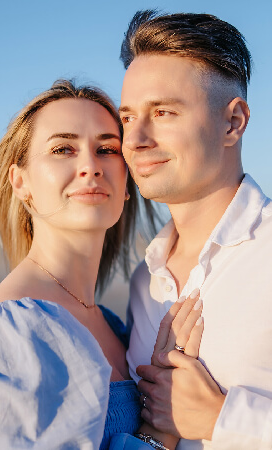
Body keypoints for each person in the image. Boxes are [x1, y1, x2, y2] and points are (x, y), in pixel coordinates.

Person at [0, 79, 203, 449]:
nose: (90, 166)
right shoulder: (13, 333)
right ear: (20, 181)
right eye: (63, 149)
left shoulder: (112, 322)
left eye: (107, 149)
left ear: (127, 181)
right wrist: (158, 434)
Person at [119, 10, 272, 450]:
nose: (135, 140)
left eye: (163, 112)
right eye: (128, 117)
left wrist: (222, 418)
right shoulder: (143, 282)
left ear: (233, 123)